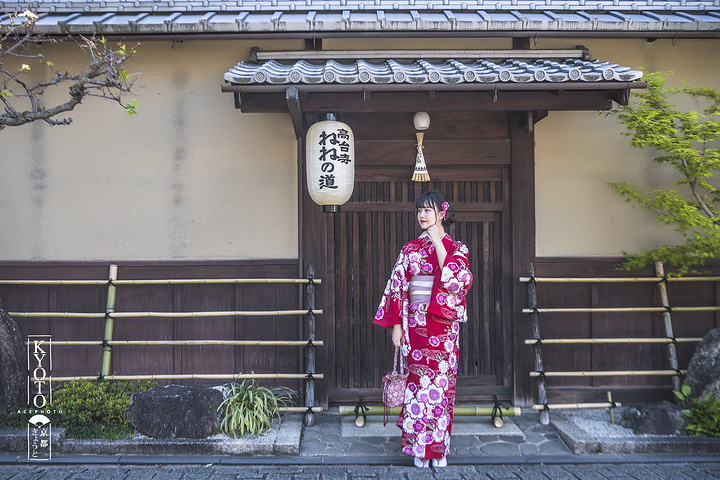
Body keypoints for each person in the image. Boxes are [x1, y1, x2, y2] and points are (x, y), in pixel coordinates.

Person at [374, 190, 473, 468]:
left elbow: (457, 281)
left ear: (442, 213)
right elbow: (397, 290)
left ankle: (438, 450)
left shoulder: (458, 249)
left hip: (443, 330)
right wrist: (396, 327)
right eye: (419, 211)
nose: (422, 216)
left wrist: (437, 240)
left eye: (428, 211)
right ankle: (419, 449)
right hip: (415, 327)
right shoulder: (409, 250)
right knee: (417, 388)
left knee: (441, 389)